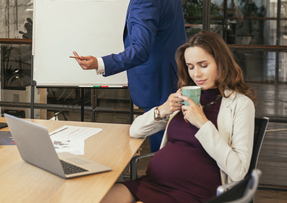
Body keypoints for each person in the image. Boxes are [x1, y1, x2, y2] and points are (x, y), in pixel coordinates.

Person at [101, 30, 256, 203]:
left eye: (203, 65)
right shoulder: (185, 96)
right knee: (97, 198)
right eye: (190, 67)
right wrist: (163, 109)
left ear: (221, 63)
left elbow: (238, 171)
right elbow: (135, 131)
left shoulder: (240, 105)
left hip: (193, 194)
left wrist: (203, 124)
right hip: (152, 184)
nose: (196, 74)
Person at [73, 0, 187, 151]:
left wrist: (100, 63)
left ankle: (161, 184)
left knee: (160, 148)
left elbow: (140, 50)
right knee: (171, 143)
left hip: (157, 83)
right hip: (174, 74)